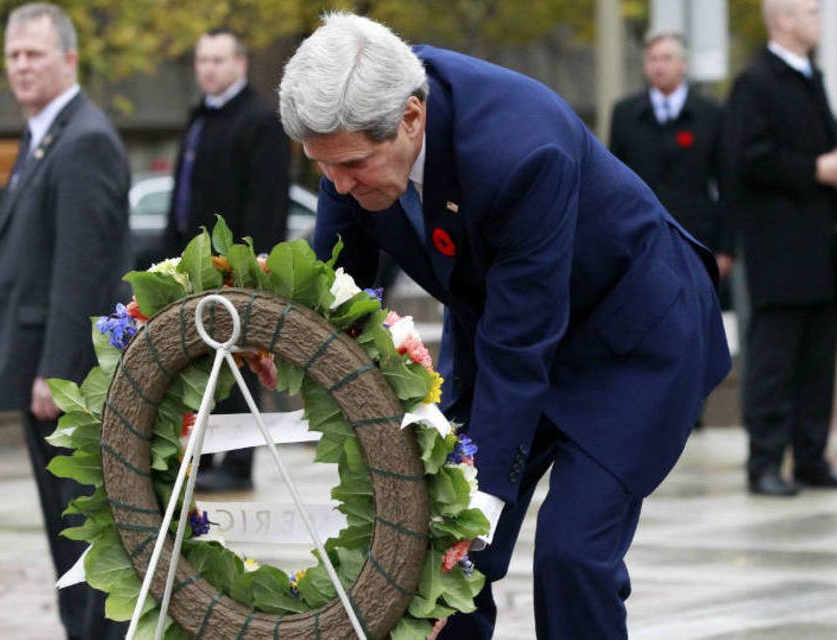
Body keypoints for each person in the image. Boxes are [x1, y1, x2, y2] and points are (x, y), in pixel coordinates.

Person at [279, 13, 730, 639]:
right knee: (431, 557)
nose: (338, 185)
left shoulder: (522, 149)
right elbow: (337, 278)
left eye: (352, 166)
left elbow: (522, 343)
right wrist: (279, 337)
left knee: (570, 554)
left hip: (630, 340)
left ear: (412, 118)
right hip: (506, 323)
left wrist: (480, 501)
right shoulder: (349, 136)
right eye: (322, 168)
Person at [0, 3, 131, 638]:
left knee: (85, 537)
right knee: (65, 538)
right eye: (13, 55)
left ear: (69, 59)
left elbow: (82, 269)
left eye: (34, 53)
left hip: (62, 380)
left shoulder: (84, 138)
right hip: (42, 368)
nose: (21, 66)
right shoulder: (47, 132)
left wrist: (56, 370)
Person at [164, 27, 290, 492]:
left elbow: (266, 201)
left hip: (233, 267)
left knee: (238, 363)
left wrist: (250, 265)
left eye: (218, 60)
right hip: (192, 264)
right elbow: (183, 194)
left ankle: (237, 464)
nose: (208, 69)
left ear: (240, 62)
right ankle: (209, 456)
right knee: (203, 365)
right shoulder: (201, 118)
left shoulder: (259, 120)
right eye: (202, 61)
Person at [724, 0, 837, 497]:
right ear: (784, 20)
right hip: (779, 250)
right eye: (810, 11)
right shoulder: (757, 83)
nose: (817, 19)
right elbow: (747, 159)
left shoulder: (809, 76)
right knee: (774, 362)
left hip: (820, 249)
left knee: (817, 360)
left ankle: (811, 458)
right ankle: (765, 462)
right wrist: (814, 169)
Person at [610, 31, 734, 283]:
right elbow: (613, 181)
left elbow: (728, 181)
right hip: (641, 238)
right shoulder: (625, 114)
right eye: (652, 59)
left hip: (697, 238)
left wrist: (726, 248)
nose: (659, 66)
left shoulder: (711, 114)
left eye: (666, 58)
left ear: (683, 64)